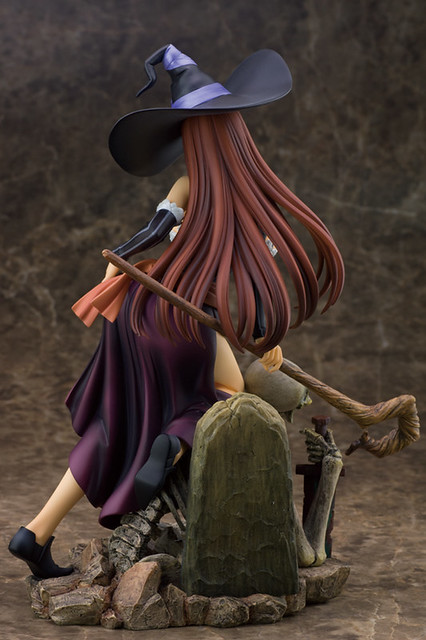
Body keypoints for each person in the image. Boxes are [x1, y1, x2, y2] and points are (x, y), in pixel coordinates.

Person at [8, 44, 344, 579]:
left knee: (114, 423)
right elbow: (256, 280)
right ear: (236, 131)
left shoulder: (186, 186)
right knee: (224, 394)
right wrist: (264, 336)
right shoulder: (251, 198)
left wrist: (117, 265)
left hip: (140, 306)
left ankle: (35, 532)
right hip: (186, 318)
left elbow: (149, 235)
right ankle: (176, 440)